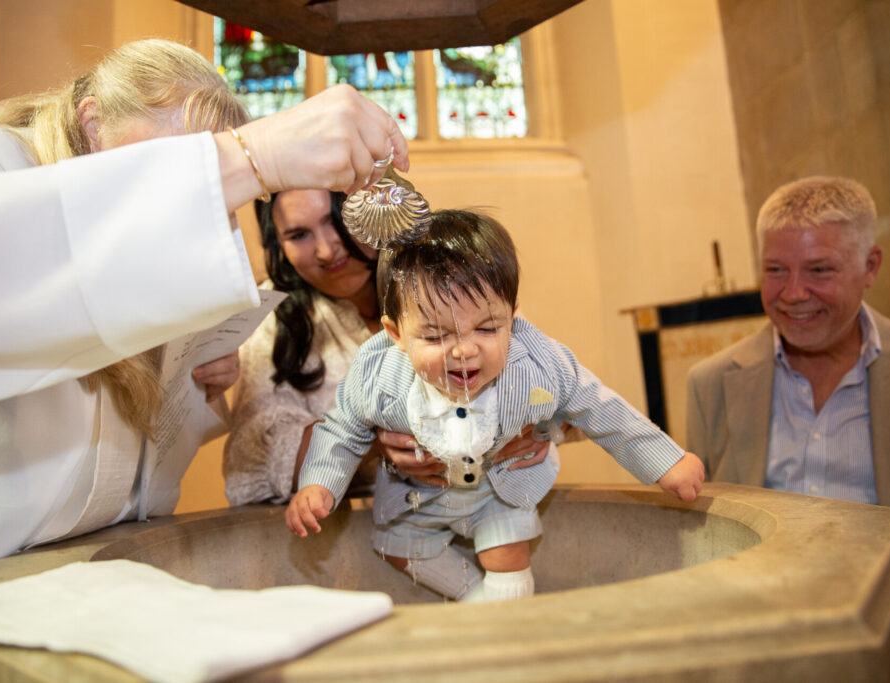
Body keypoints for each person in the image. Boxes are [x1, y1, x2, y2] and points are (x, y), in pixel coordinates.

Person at [0, 38, 409, 591]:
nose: (184, 193)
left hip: (115, 566)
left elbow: (129, 443)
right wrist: (252, 156)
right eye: (173, 164)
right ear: (93, 122)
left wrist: (200, 384)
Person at [286, 210, 705, 602]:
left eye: (487, 328)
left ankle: (505, 602)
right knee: (398, 551)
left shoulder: (537, 362)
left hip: (499, 490)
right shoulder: (378, 373)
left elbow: (597, 406)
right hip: (416, 498)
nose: (464, 350)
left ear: (513, 317)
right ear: (396, 334)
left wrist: (665, 461)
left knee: (507, 554)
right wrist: (318, 484)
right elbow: (341, 430)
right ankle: (476, 601)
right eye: (435, 337)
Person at [223, 190, 556, 505]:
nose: (325, 250)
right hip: (364, 532)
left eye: (337, 221)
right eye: (298, 235)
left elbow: (562, 390)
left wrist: (533, 427)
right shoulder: (273, 318)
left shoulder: (450, 278)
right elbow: (253, 464)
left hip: (491, 506)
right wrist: (372, 436)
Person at [686, 175, 890, 567]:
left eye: (819, 270)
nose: (794, 293)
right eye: (775, 270)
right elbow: (705, 536)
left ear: (869, 266)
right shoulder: (711, 384)